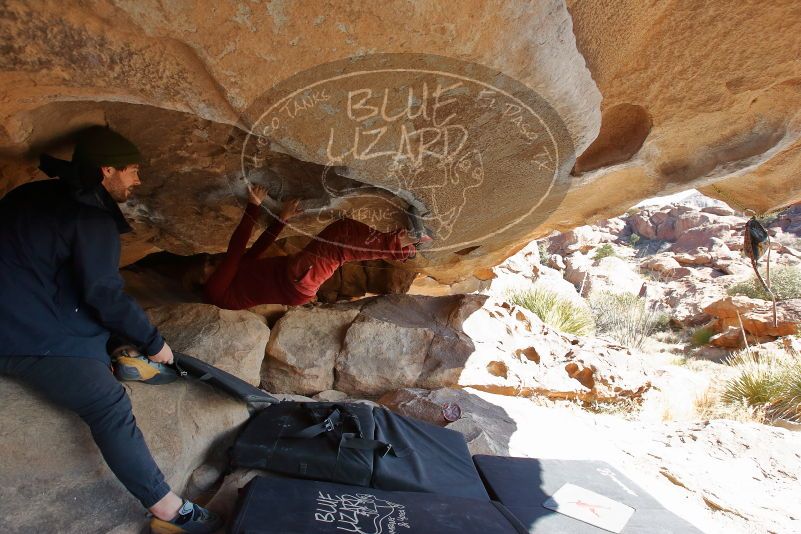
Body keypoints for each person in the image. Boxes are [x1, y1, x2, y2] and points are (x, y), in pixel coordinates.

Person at [0, 126, 223, 534]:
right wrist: (156, 345)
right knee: (110, 407)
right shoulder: (91, 216)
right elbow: (103, 292)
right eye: (132, 170)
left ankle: (118, 355)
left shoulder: (25, 195)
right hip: (30, 341)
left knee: (109, 339)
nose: (138, 180)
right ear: (107, 171)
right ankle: (169, 509)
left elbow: (54, 279)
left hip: (20, 319)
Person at [203, 184, 429, 310]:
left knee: (341, 249)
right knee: (341, 234)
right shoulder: (215, 290)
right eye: (207, 266)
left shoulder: (228, 285)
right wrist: (253, 206)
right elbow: (236, 248)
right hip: (295, 278)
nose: (211, 264)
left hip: (297, 280)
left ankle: (404, 247)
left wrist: (282, 219)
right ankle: (401, 243)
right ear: (200, 281)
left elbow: (256, 249)